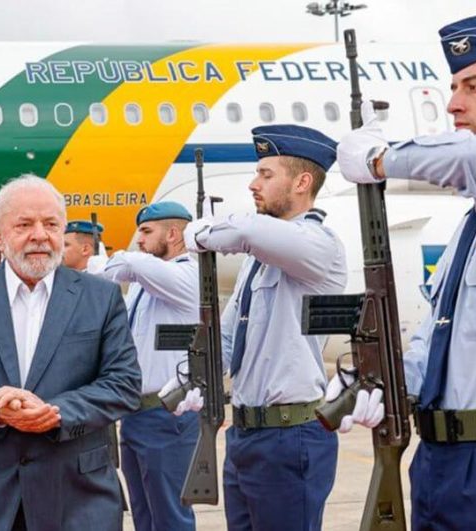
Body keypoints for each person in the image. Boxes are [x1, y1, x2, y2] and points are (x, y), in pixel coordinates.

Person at [334, 12, 476, 530]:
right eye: (453, 86)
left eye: (473, 85)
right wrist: (391, 382)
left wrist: (380, 158)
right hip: (442, 461)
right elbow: (445, 335)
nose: (452, 103)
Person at [0, 176, 141, 531]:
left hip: (79, 499)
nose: (39, 235)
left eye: (50, 224)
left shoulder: (102, 297)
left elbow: (124, 385)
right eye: (24, 224)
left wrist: (57, 413)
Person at [181, 125, 346, 530]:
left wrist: (201, 233)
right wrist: (194, 378)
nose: (254, 184)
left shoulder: (317, 244)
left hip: (290, 437)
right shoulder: (259, 261)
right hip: (247, 434)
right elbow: (230, 334)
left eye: (266, 174)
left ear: (302, 182)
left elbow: (247, 230)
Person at [94, 201, 198, 531]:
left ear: (173, 233)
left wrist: (105, 262)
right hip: (137, 415)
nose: (139, 239)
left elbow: (127, 263)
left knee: (170, 516)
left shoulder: (186, 275)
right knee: (144, 516)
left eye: (146, 231)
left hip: (168, 416)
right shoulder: (145, 285)